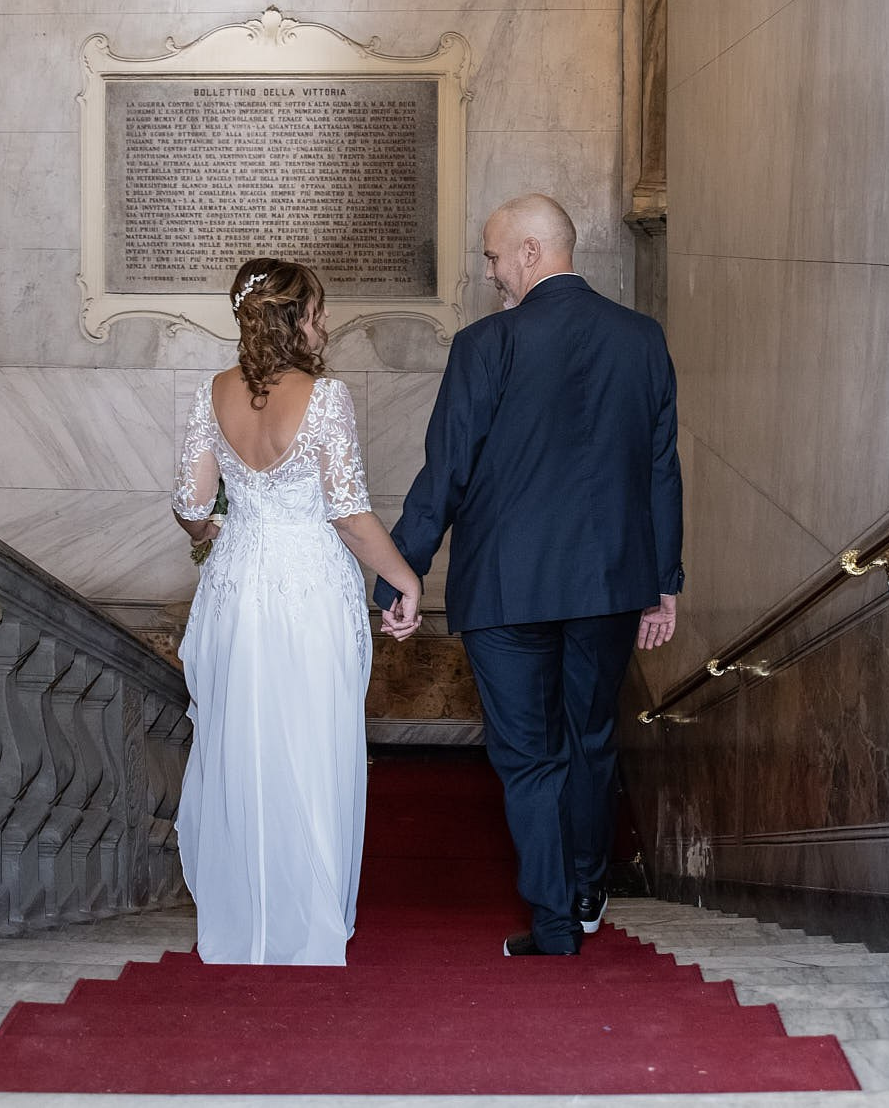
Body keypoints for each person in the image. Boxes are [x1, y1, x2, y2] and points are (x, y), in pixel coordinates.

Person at [374, 194, 684, 957]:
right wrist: (664, 580)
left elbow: (444, 471)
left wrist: (398, 574)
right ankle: (586, 886)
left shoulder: (486, 346)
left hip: (506, 589)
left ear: (532, 252)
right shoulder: (642, 339)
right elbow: (660, 471)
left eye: (492, 256)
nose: (489, 273)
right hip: (611, 584)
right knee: (590, 737)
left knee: (527, 756)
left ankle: (555, 921)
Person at [171, 257, 423, 965]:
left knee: (240, 745)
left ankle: (243, 917)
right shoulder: (325, 398)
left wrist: (215, 533)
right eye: (317, 311)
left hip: (234, 589)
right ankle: (306, 921)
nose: (326, 323)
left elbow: (191, 505)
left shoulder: (211, 393)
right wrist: (407, 580)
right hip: (308, 591)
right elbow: (347, 513)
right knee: (310, 748)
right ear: (293, 322)